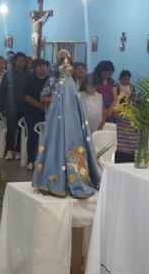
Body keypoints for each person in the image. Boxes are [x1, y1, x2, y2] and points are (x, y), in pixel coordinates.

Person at [32, 58, 101, 198]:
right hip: (65, 123)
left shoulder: (69, 85)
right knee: (57, 147)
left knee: (67, 149)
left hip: (72, 123)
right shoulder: (63, 84)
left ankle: (65, 181)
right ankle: (54, 180)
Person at [0, 52, 29, 160]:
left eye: (23, 60)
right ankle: (9, 150)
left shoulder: (29, 75)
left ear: (26, 62)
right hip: (11, 107)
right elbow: (2, 92)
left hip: (25, 107)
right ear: (14, 62)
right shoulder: (8, 74)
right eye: (18, 60)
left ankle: (18, 150)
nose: (21, 62)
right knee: (11, 129)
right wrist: (3, 107)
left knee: (22, 130)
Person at [23, 59, 50, 170]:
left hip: (48, 113)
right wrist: (39, 105)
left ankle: (45, 161)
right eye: (39, 66)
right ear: (34, 68)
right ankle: (31, 160)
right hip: (32, 112)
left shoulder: (50, 80)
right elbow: (27, 96)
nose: (42, 68)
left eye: (44, 66)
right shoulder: (30, 80)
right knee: (32, 137)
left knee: (47, 138)